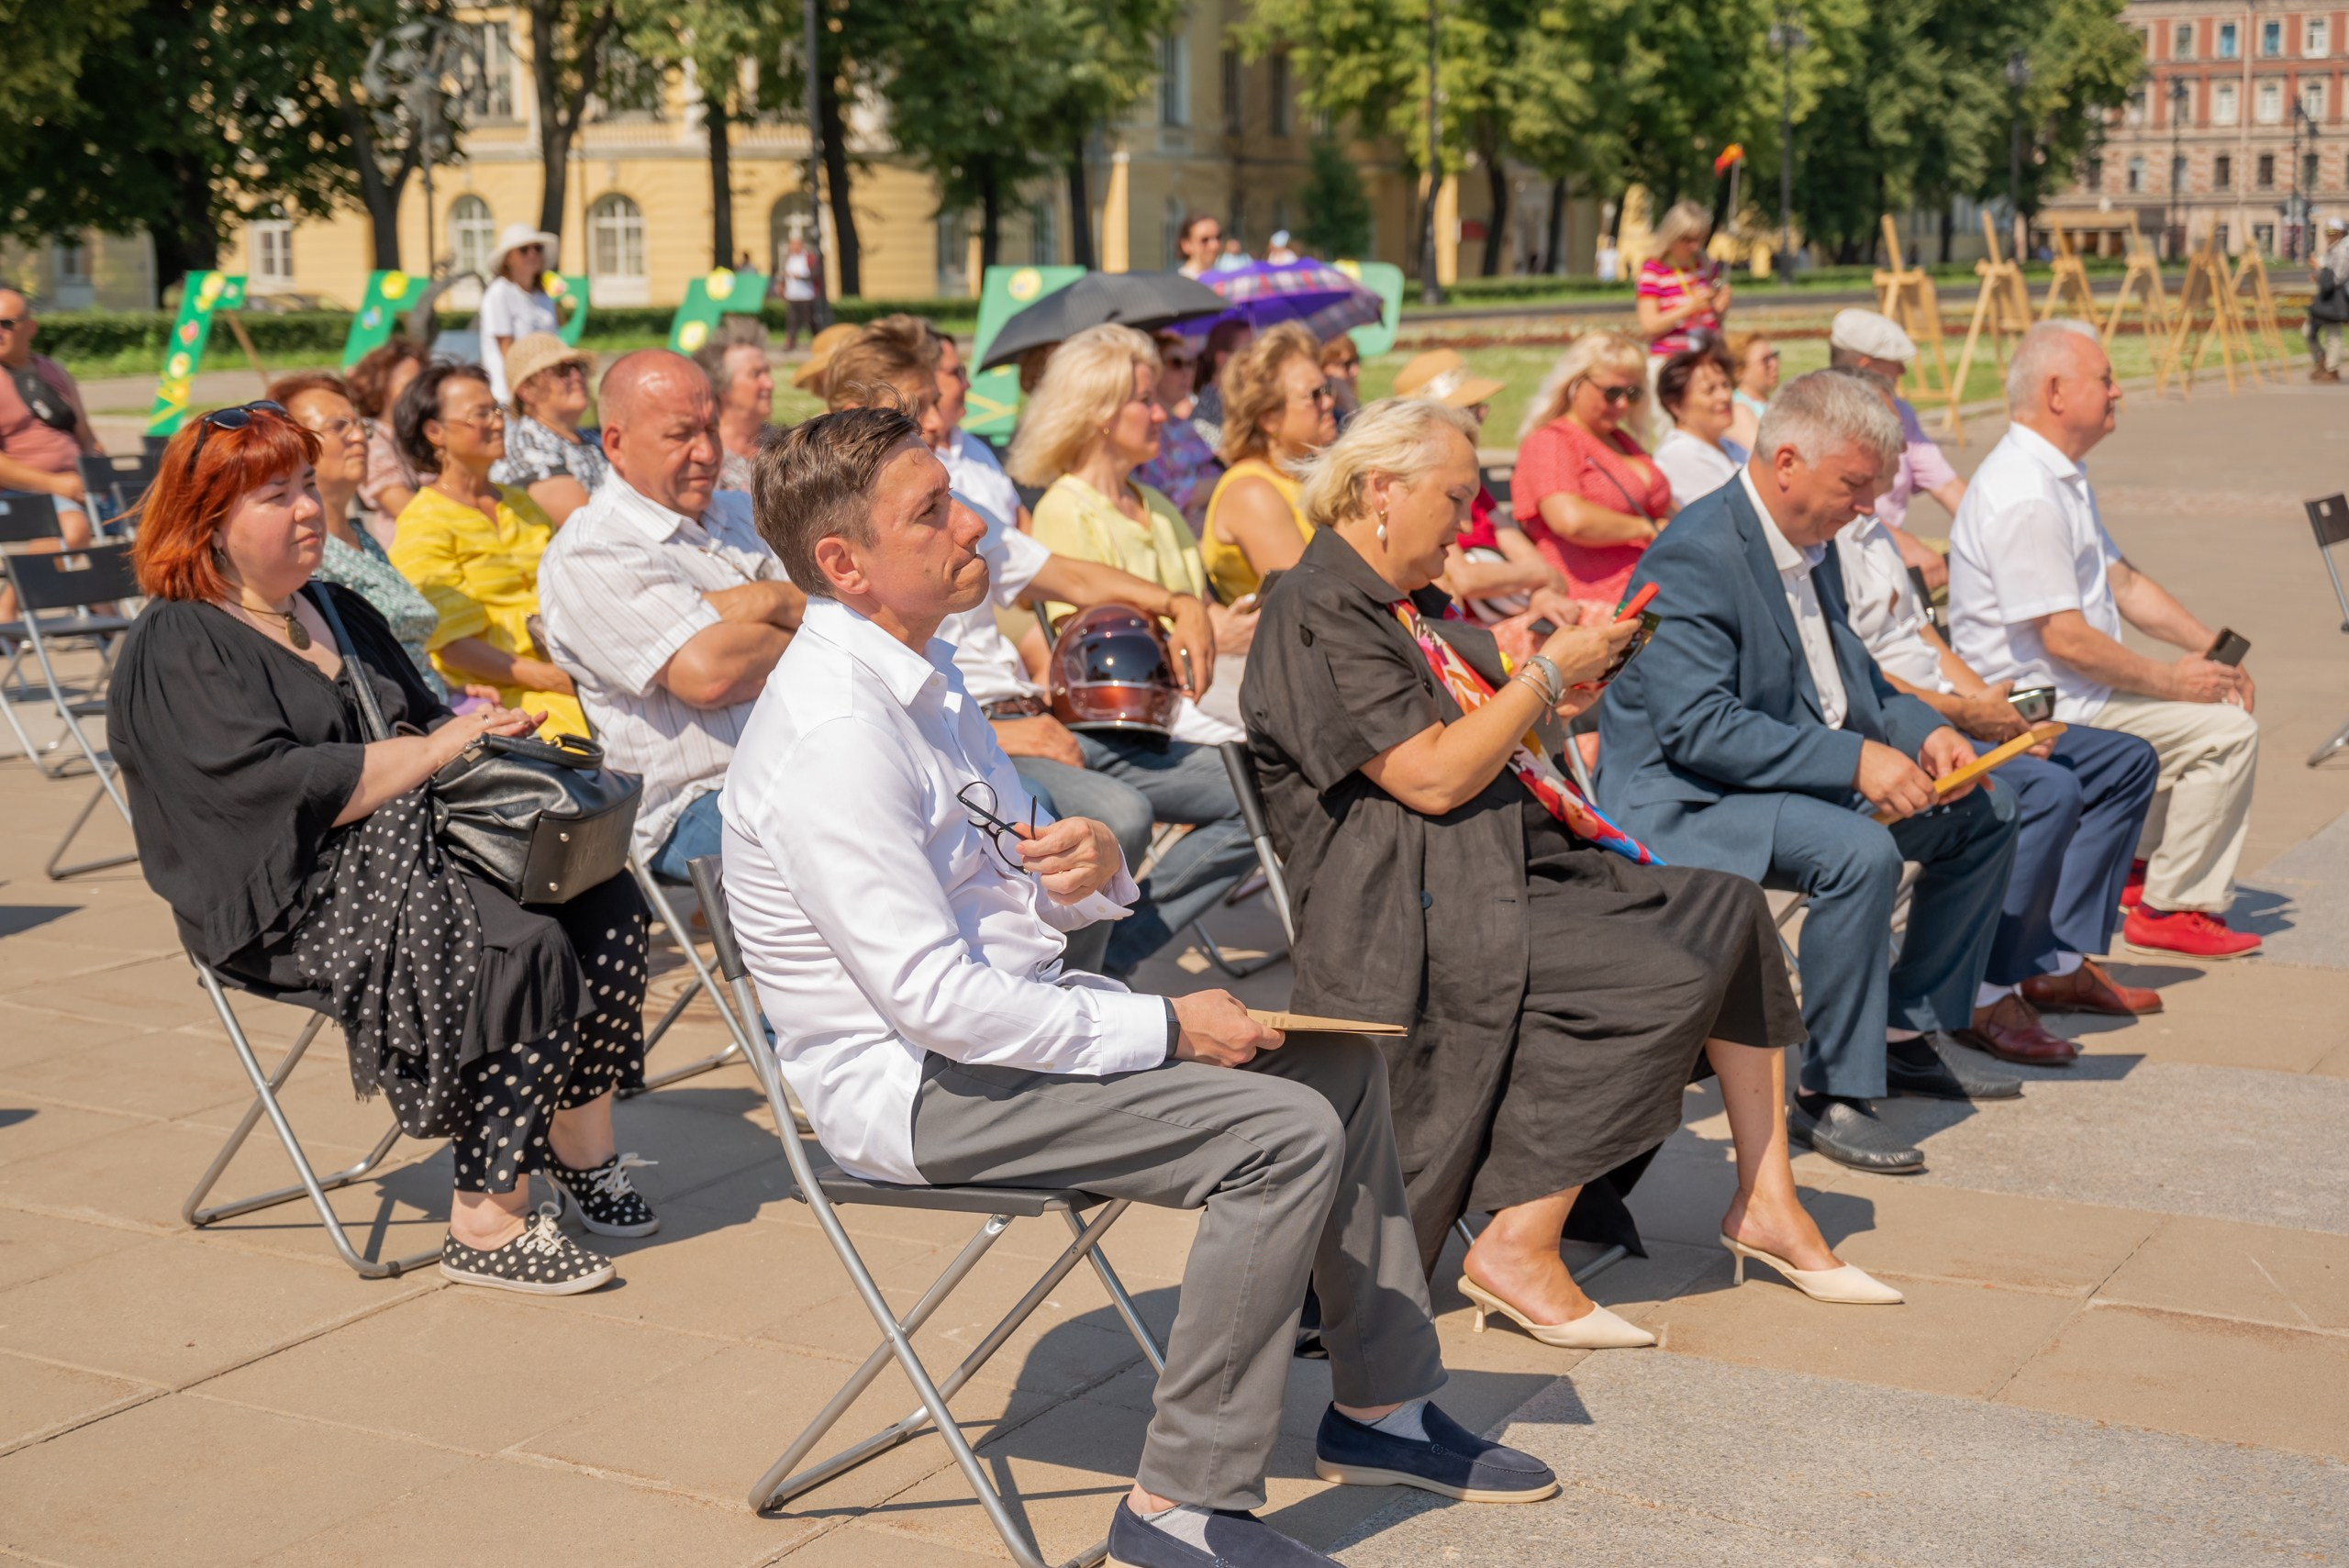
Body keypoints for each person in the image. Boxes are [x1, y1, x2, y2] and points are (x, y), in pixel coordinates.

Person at [721, 404, 1560, 1568]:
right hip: (918, 1086)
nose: (972, 520)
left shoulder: (923, 681)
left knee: (1336, 1066)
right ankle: (1179, 1507)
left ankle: (1384, 1408)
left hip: (990, 1039)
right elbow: (935, 1002)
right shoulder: (835, 730)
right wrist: (1162, 1020)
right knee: (1279, 1132)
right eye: (933, 510)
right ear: (845, 565)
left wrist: (1094, 865)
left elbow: (1027, 884)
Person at [1244, 397, 1899, 1335]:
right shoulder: (1312, 609)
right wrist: (1542, 676)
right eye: (1457, 497)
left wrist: (1562, 686)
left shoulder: (1398, 605)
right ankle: (1517, 1241)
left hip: (1488, 868)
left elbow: (1482, 739)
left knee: (1722, 908)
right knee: (1662, 968)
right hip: (1406, 907)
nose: (1468, 523)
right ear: (1379, 490)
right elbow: (1429, 776)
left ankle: (1766, 1197)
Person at [106, 402, 651, 1296]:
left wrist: (476, 732)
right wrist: (431, 748)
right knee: (516, 942)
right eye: (275, 495)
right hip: (283, 889)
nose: (308, 508)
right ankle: (487, 1215)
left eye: (304, 486)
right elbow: (262, 791)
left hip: (412, 838)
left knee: (605, 899)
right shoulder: (179, 641)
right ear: (209, 520)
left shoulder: (334, 605)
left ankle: (579, 1148)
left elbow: (429, 722)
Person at [1598, 373, 2026, 1176]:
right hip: (1682, 798)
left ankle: (1905, 1030)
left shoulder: (1808, 538)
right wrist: (1857, 757)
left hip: (1774, 771)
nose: (1868, 507)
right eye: (1855, 485)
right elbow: (1696, 729)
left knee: (1987, 808)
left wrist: (1929, 732)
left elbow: (1854, 678)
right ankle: (1832, 1091)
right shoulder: (1694, 553)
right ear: (1787, 460)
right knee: (1854, 853)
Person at [1831, 367, 2162, 1050]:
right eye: (1869, 472)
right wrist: (1962, 714)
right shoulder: (1824, 541)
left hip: (1946, 707)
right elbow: (1862, 677)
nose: (1883, 488)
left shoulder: (1874, 533)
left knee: (2123, 761)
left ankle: (2054, 958)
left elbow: (1924, 638)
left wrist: (1988, 702)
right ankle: (1983, 990)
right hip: (1899, 728)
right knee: (2043, 788)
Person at [1949, 321, 2265, 961]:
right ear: (2057, 392)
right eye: (2106, 378)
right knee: (2227, 733)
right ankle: (2174, 902)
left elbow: (2121, 582)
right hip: (2042, 704)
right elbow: (2064, 638)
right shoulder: (2025, 492)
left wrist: (2212, 648)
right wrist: (2174, 680)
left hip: (2072, 690)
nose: (2118, 391)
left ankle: (2139, 866)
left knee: (2209, 705)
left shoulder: (2057, 474)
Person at [538, 350, 803, 879]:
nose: (706, 451)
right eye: (681, 434)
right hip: (699, 801)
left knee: (977, 814)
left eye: (710, 427)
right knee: (873, 845)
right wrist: (808, 617)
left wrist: (767, 602)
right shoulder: (592, 551)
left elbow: (862, 613)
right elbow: (710, 675)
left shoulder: (742, 514)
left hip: (811, 768)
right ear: (614, 443)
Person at [387, 361, 586, 735]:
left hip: (573, 662)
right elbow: (452, 645)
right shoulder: (423, 522)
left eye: (498, 410)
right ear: (435, 432)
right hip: (504, 690)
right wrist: (557, 680)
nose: (498, 423)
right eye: (482, 414)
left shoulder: (520, 503)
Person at [271, 373, 446, 697]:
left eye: (360, 426)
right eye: (339, 427)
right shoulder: (301, 553)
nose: (358, 438)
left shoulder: (363, 540)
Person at [1389, 349, 1573, 624]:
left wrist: (1541, 591)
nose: (1479, 421)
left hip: (1511, 613)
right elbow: (1465, 579)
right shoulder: (1424, 492)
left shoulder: (1472, 489)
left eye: (1479, 410)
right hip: (1474, 628)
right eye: (1470, 412)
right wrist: (1540, 577)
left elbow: (1528, 556)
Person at [1511, 331, 1673, 613]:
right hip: (1593, 600)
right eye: (1612, 392)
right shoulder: (1551, 440)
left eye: (1632, 393)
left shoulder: (1621, 440)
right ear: (1575, 384)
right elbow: (1569, 519)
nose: (1622, 404)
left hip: (1652, 587)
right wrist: (1645, 529)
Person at [1198, 322, 1336, 604]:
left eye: (1328, 389)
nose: (1329, 402)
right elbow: (1311, 601)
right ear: (1269, 417)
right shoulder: (1251, 492)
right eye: (1314, 395)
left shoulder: (1298, 476)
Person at [1829, 308, 1963, 591]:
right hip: (1842, 555)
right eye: (1895, 363)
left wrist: (1993, 527)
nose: (1902, 371)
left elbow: (1949, 487)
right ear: (1867, 366)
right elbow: (1841, 507)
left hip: (1892, 546)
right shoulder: (1824, 413)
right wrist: (1903, 546)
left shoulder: (1901, 412)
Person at [0, 287, 101, 550]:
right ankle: (19, 593)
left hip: (77, 488)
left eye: (6, 324)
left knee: (170, 515)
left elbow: (87, 439)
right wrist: (57, 484)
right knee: (72, 529)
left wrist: (99, 471)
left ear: (31, 328)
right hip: (19, 494)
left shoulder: (56, 372)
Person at [488, 333, 607, 528]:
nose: (576, 376)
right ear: (527, 391)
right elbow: (588, 527)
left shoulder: (590, 438)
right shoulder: (525, 446)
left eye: (578, 367)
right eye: (562, 370)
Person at [1133, 328, 1221, 526]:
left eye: (1191, 364)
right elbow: (1166, 494)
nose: (1187, 372)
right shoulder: (1143, 431)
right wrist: (1229, 480)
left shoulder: (1183, 426)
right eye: (1176, 363)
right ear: (1153, 369)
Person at [348, 339, 429, 546]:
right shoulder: (370, 438)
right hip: (410, 546)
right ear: (382, 386)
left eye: (424, 384)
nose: (420, 393)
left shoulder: (425, 431)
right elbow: (403, 507)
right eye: (411, 384)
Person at [473, 226, 563, 406]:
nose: (532, 254)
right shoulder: (499, 293)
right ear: (508, 259)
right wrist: (521, 388)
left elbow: (552, 342)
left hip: (543, 387)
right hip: (511, 390)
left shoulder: (543, 296)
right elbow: (506, 348)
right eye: (524, 250)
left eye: (537, 248)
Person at [1651, 345, 1749, 510]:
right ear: (1676, 406)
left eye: (1725, 385)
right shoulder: (1679, 454)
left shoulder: (1728, 445)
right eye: (1710, 390)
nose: (1724, 396)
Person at [1635, 200, 1729, 360]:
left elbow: (1714, 318)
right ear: (1671, 236)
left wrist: (1721, 305)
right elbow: (1649, 325)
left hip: (1708, 354)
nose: (1694, 246)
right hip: (1672, 358)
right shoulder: (1654, 269)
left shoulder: (1705, 263)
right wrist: (1689, 307)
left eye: (1699, 239)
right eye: (1687, 240)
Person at [690, 319, 776, 493]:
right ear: (723, 387)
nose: (769, 383)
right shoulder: (705, 456)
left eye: (767, 372)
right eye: (756, 374)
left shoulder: (784, 445)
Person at [1186, 317, 1254, 453]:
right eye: (1249, 352)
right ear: (1222, 359)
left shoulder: (1242, 403)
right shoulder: (1202, 419)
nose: (1257, 360)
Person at [2309, 217, 2349, 382]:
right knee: (2309, 330)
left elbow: (2338, 278)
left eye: (2332, 232)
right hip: (2328, 297)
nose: (2328, 235)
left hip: (2338, 297)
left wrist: (2320, 272)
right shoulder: (2333, 249)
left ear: (2340, 233)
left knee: (2333, 332)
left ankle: (2331, 369)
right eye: (2326, 232)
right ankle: (2322, 361)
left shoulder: (2343, 250)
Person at [1726, 331, 1780, 452]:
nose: (1774, 364)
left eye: (1774, 356)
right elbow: (1764, 455)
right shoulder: (1737, 409)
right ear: (1739, 371)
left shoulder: (1773, 402)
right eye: (1765, 360)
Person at [778, 234, 820, 350]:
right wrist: (782, 286)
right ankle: (790, 343)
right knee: (791, 321)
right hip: (792, 295)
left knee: (809, 320)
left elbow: (815, 275)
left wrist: (800, 277)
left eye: (795, 244)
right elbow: (785, 275)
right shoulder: (788, 258)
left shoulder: (808, 258)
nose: (793, 247)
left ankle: (818, 341)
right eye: (791, 244)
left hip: (806, 295)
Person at [1319, 332, 1364, 426]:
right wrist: (1351, 406)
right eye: (1346, 365)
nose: (1355, 371)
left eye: (1357, 360)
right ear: (1323, 369)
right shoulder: (1325, 422)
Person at [1174, 213, 1224, 280]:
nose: (1215, 246)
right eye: (1205, 240)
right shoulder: (1178, 284)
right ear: (1186, 245)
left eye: (1218, 237)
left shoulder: (1224, 282)